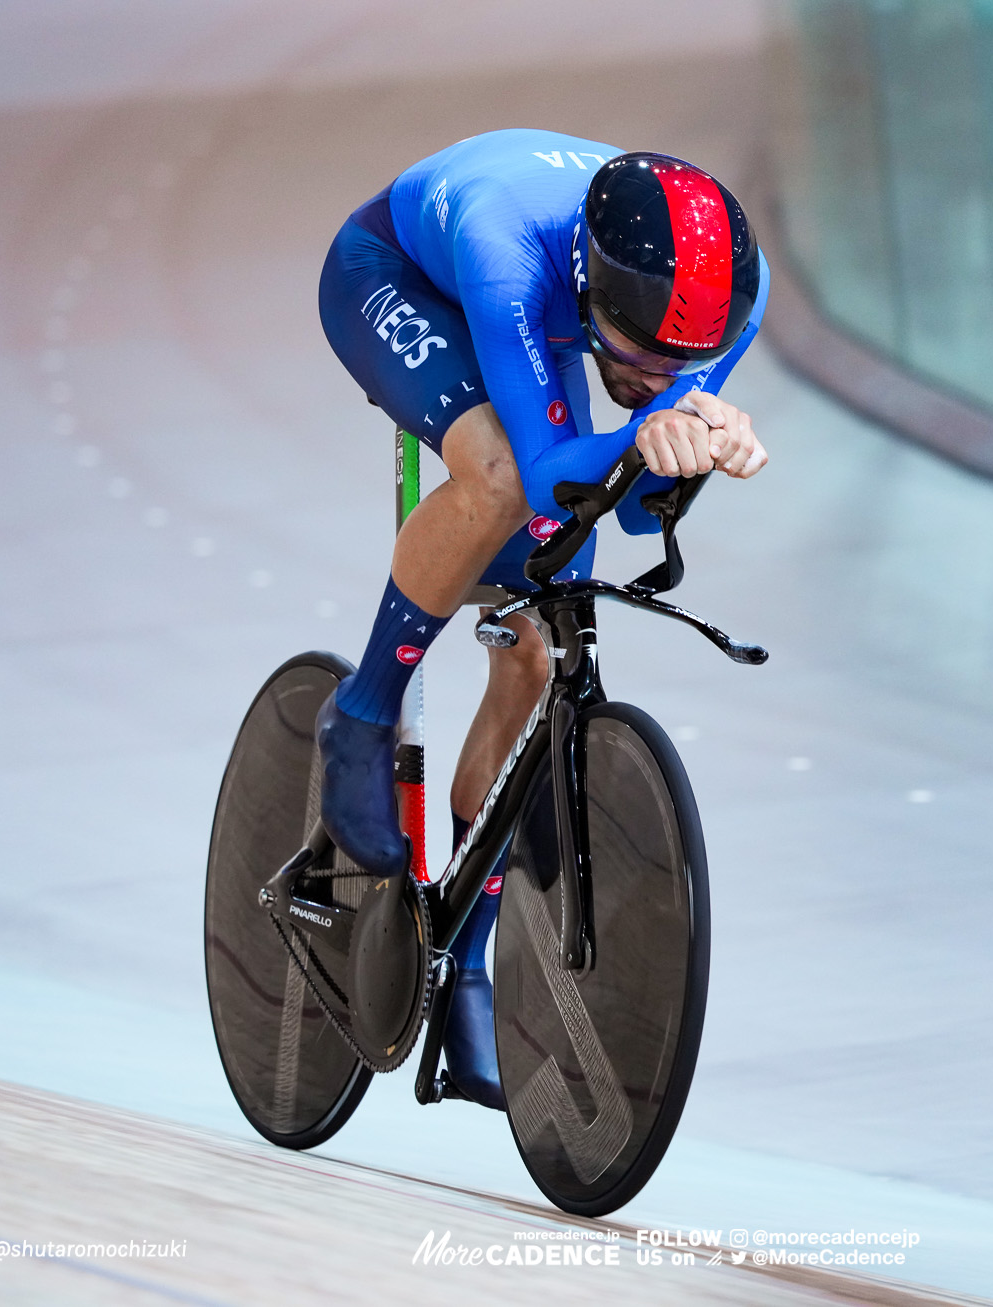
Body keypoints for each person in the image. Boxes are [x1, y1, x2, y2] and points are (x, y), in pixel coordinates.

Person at [315, 129, 769, 1108]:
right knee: (505, 478)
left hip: (545, 321)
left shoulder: (736, 289)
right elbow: (552, 480)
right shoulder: (506, 239)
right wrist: (647, 428)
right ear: (596, 294)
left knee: (535, 640)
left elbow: (634, 506)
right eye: (643, 361)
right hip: (397, 278)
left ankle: (466, 965)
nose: (658, 380)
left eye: (682, 365)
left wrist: (697, 434)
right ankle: (361, 707)